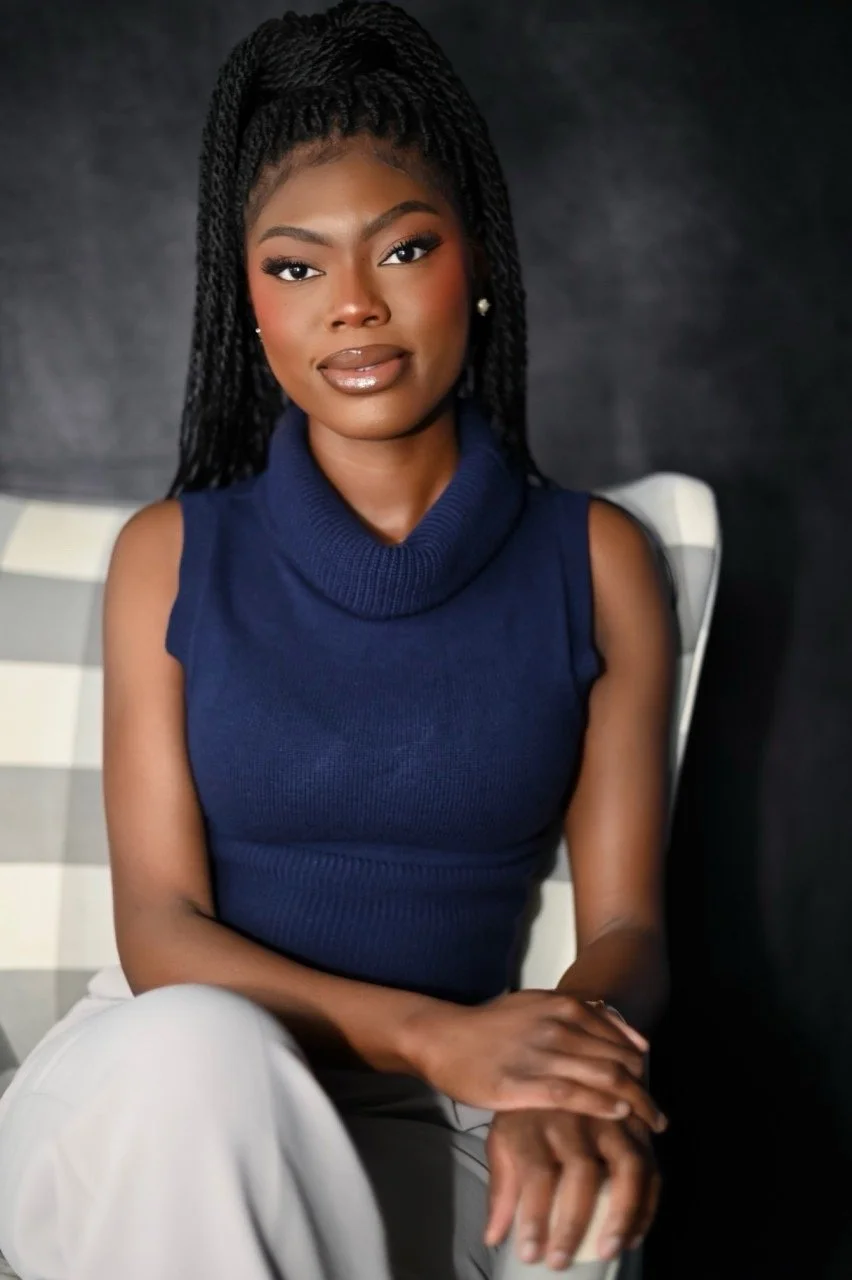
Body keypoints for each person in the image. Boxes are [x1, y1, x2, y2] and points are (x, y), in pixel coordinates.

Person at [0, 3, 676, 1278]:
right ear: (249, 304)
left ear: (473, 259)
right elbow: (160, 925)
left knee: (569, 1226)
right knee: (202, 1050)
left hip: (454, 1111)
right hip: (165, 1092)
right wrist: (439, 1033)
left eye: (402, 249)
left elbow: (631, 922)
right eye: (297, 267)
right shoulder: (170, 553)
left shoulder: (594, 560)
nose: (352, 307)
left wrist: (556, 1063)